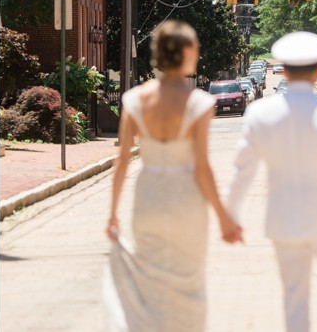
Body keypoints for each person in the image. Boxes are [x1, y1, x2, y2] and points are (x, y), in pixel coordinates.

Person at [224, 31, 317, 332]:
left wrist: (230, 215)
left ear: (284, 70)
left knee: (294, 294)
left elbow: (242, 171)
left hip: (284, 219)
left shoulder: (260, 113)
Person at [103, 20, 242, 332]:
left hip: (148, 196)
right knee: (188, 283)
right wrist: (223, 217)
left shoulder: (134, 100)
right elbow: (202, 167)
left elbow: (122, 160)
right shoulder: (200, 103)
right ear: (188, 52)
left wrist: (112, 213)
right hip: (186, 200)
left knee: (150, 285)